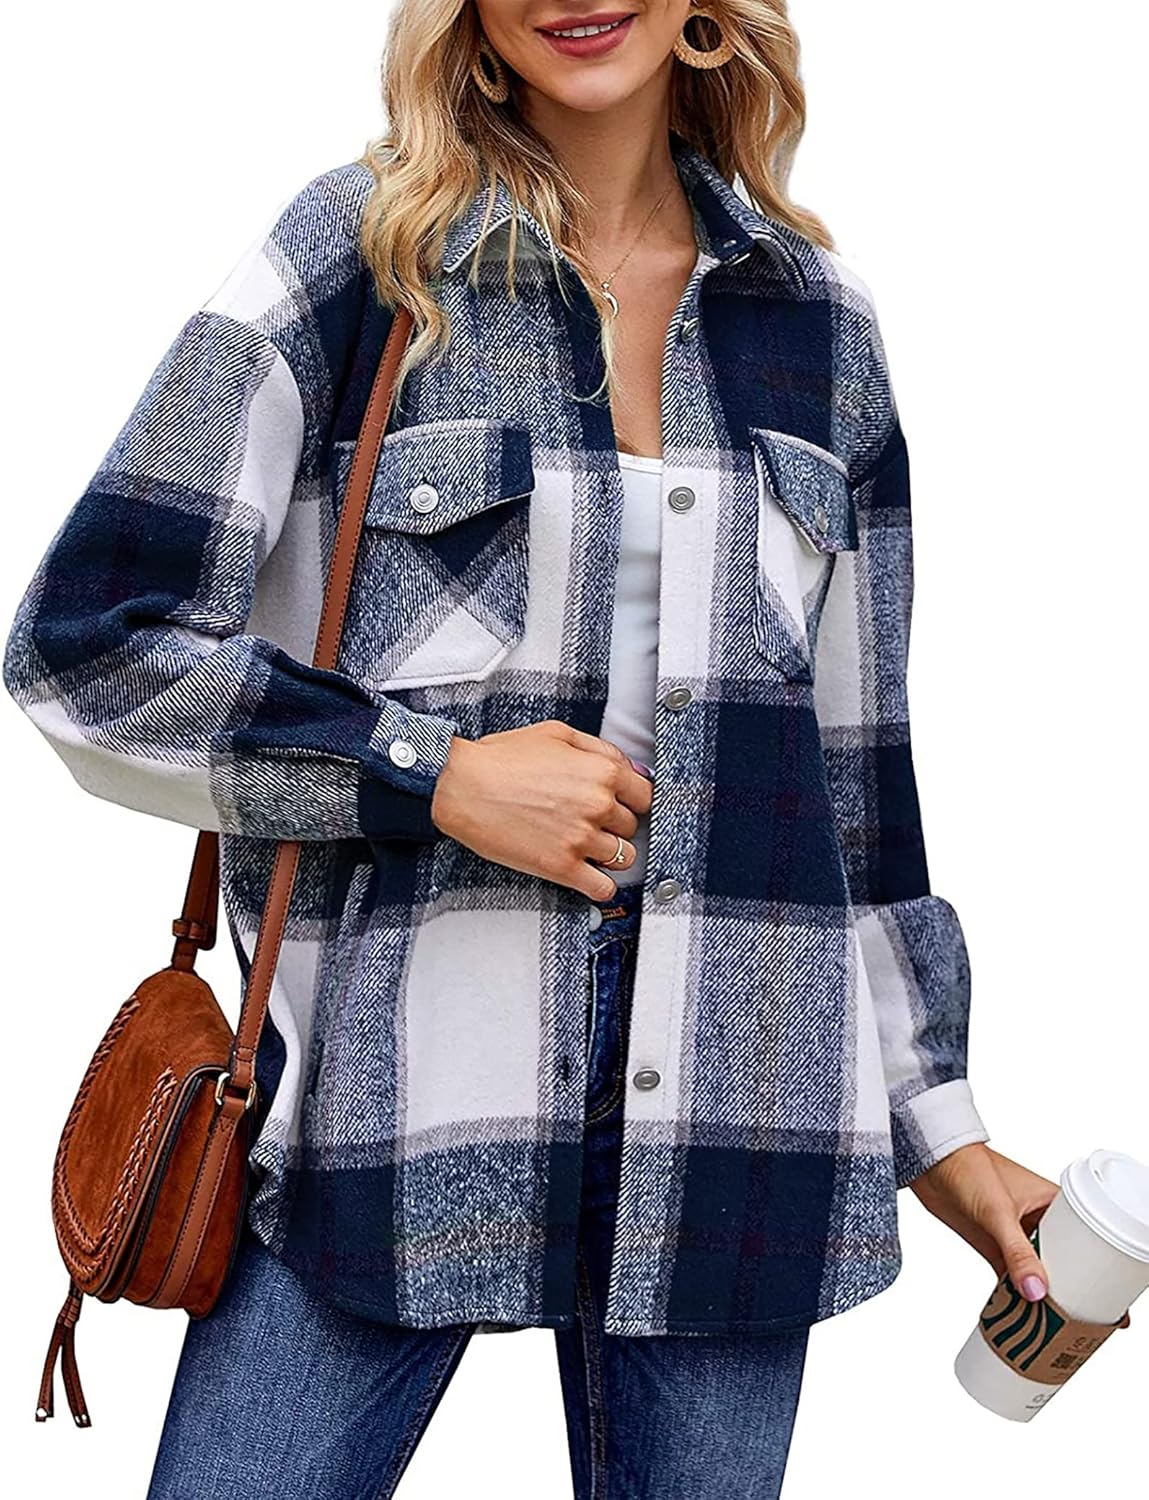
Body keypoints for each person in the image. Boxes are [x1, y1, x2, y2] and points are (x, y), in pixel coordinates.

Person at [3, 2, 1063, 1495]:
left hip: (740, 1117)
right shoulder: (359, 260)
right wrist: (432, 776)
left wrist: (937, 1125)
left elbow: (856, 795)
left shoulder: (816, 323)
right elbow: (89, 644)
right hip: (386, 1103)